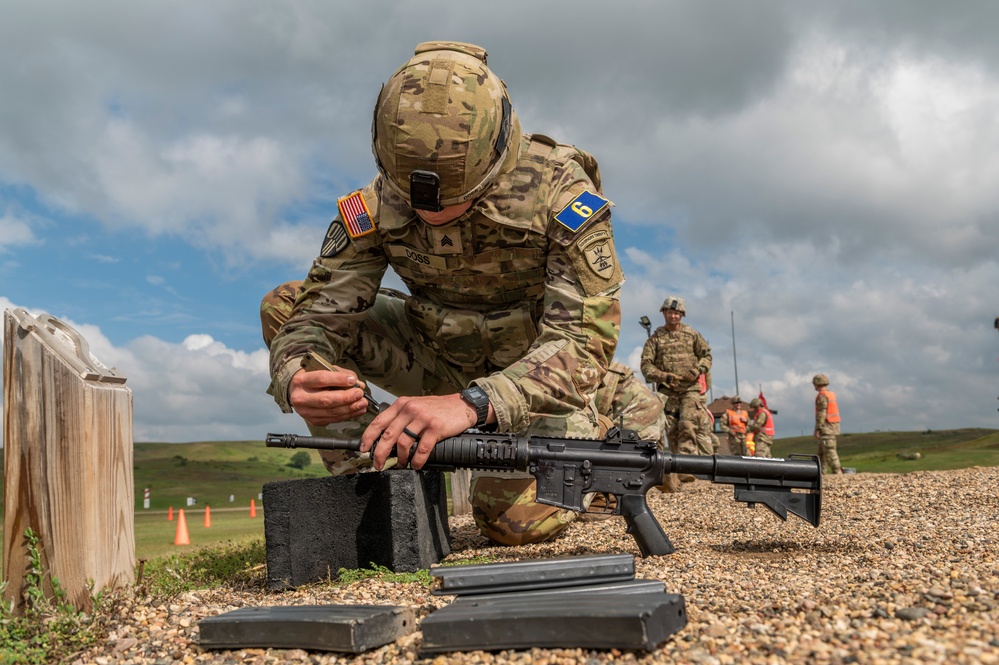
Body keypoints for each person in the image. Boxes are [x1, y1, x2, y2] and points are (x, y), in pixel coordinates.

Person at [262, 41, 664, 546]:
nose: (432, 217)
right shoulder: (377, 202)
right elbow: (317, 314)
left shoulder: (560, 190)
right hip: (435, 356)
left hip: (532, 377)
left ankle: (600, 421)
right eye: (416, 203)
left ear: (497, 155)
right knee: (283, 307)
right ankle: (377, 477)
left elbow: (582, 341)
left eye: (460, 200)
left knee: (512, 523)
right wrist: (297, 373)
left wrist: (474, 404)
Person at [640, 296, 713, 458]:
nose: (673, 316)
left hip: (690, 390)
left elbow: (707, 356)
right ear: (664, 313)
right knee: (671, 431)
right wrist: (664, 376)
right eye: (670, 312)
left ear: (682, 315)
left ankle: (688, 464)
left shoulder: (692, 334)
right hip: (668, 392)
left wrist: (697, 370)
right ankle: (678, 469)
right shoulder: (656, 339)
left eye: (677, 313)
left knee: (687, 425)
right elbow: (646, 366)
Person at [812, 373, 843, 474]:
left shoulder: (822, 396)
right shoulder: (830, 394)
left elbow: (822, 413)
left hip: (827, 427)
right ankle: (820, 473)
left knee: (829, 451)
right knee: (821, 453)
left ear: (817, 383)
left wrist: (818, 428)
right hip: (832, 426)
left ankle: (837, 472)